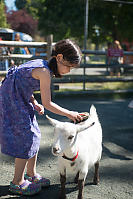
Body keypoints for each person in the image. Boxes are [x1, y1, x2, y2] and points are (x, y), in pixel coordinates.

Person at [0, 39, 84, 195]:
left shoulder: (42, 65)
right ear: (59, 57)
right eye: (69, 66)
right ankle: (17, 182)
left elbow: (22, 83)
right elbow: (49, 103)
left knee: (35, 134)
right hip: (12, 100)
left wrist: (34, 101)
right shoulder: (44, 72)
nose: (69, 70)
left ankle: (31, 174)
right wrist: (69, 113)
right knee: (27, 137)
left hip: (19, 97)